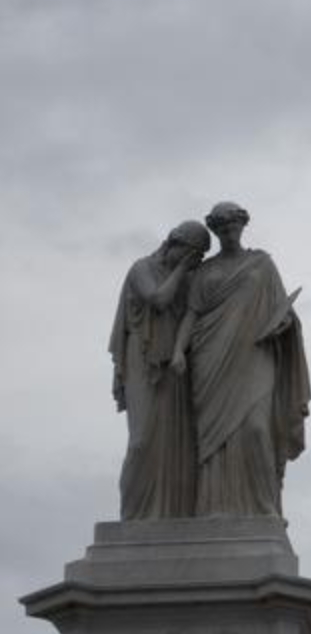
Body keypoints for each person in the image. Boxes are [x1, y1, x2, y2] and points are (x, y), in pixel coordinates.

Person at [171, 201, 311, 517]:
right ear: (215, 231)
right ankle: (214, 507)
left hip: (255, 354)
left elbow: (282, 309)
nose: (228, 233)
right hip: (210, 357)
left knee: (256, 429)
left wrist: (285, 323)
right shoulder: (205, 271)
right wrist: (179, 350)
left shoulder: (261, 265)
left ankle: (265, 508)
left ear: (242, 226)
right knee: (214, 440)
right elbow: (192, 314)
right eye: (221, 229)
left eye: (232, 226)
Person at [110, 221, 211, 519]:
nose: (195, 261)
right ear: (173, 243)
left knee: (173, 445)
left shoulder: (190, 280)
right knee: (141, 441)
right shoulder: (141, 268)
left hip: (174, 366)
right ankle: (131, 516)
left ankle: (168, 515)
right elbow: (158, 299)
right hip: (142, 358)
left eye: (199, 257)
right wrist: (182, 270)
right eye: (192, 253)